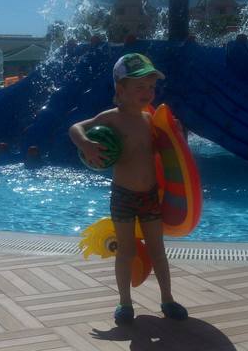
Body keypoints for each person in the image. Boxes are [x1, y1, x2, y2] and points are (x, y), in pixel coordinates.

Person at [69, 53, 188, 325]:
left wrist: (176, 136)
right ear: (120, 89)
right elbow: (75, 128)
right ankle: (124, 302)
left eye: (151, 86)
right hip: (124, 196)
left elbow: (164, 154)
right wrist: (85, 144)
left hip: (150, 196)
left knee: (158, 250)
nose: (148, 92)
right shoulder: (112, 118)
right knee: (126, 251)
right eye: (140, 86)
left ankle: (167, 299)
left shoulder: (150, 120)